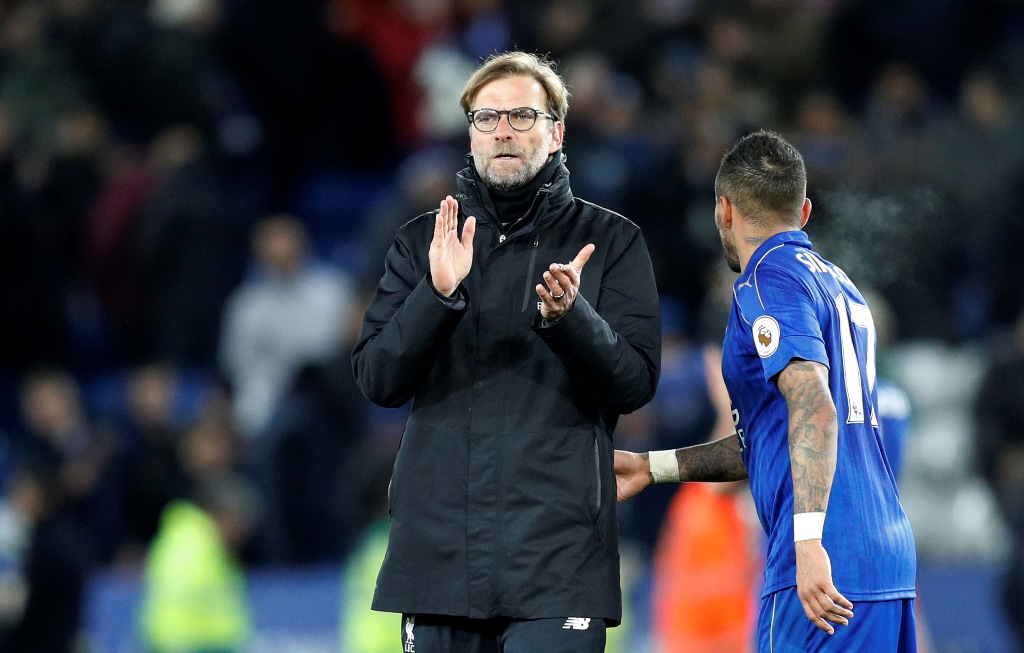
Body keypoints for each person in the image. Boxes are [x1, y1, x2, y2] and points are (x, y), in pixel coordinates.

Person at [351, 51, 661, 652]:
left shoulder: (613, 242)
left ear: (556, 131)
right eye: (486, 119)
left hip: (559, 557)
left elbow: (635, 384)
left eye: (522, 116)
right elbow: (376, 379)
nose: (503, 132)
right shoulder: (422, 243)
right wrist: (437, 295)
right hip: (439, 557)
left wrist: (573, 319)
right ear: (469, 135)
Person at [615, 130, 917, 652]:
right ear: (803, 213)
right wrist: (654, 467)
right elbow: (774, 436)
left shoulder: (767, 281)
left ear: (724, 211)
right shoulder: (841, 287)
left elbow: (814, 406)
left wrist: (808, 541)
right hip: (886, 557)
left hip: (825, 562)